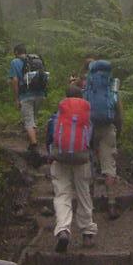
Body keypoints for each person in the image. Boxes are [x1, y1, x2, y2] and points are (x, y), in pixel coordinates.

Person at [46, 85, 98, 252]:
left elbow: (49, 139)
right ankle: (88, 233)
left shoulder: (56, 116)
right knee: (84, 194)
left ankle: (63, 230)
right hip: (82, 160)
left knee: (62, 194)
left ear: (65, 98)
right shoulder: (87, 118)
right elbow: (92, 141)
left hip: (60, 160)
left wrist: (50, 154)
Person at [80, 54, 123, 219]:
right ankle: (111, 204)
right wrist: (118, 132)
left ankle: (89, 205)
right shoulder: (112, 87)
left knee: (88, 164)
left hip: (89, 129)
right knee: (109, 167)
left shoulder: (87, 88)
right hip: (108, 128)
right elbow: (119, 114)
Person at [9, 43, 45, 157]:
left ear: (16, 52)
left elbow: (14, 81)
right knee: (33, 119)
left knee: (29, 121)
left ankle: (34, 147)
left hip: (26, 95)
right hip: (40, 94)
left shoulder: (15, 62)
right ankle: (32, 143)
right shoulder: (35, 60)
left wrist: (16, 98)